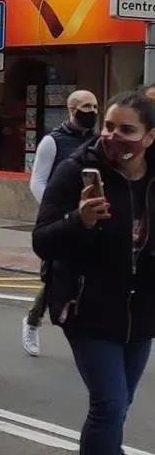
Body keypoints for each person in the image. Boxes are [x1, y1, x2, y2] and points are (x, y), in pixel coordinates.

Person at [33, 91, 155, 455]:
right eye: (109, 126)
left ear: (149, 137)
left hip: (142, 312)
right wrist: (79, 220)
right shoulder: (75, 170)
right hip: (88, 307)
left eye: (127, 130)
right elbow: (43, 240)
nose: (113, 137)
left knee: (120, 406)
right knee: (109, 407)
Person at [22, 89, 98, 357]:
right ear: (71, 109)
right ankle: (32, 322)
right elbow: (38, 180)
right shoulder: (52, 142)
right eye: (86, 106)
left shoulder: (96, 141)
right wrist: (55, 210)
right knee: (55, 275)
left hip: (90, 218)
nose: (92, 111)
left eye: (95, 106)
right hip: (61, 221)